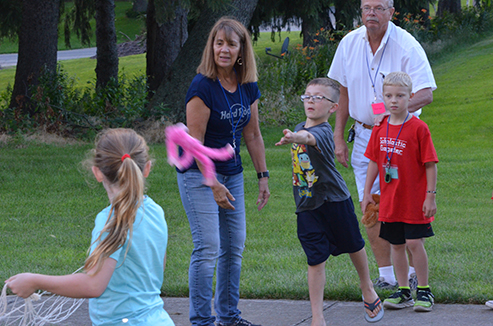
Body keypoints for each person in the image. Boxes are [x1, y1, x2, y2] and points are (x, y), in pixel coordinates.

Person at [6, 128, 174, 325]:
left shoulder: (110, 220)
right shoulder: (156, 211)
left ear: (97, 172)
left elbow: (94, 285)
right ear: (147, 168)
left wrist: (35, 281)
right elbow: (156, 270)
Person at [327, 0, 437, 290]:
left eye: (378, 7)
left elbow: (426, 94)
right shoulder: (349, 43)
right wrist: (338, 136)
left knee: (404, 203)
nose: (371, 13)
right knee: (371, 205)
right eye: (366, 8)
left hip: (401, 136)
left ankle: (413, 276)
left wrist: (392, 113)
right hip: (365, 134)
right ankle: (387, 276)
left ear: (391, 11)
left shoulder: (407, 45)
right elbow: (343, 91)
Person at [177, 17, 270, 326]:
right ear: (211, 47)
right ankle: (202, 321)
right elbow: (194, 144)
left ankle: (229, 317)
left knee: (233, 247)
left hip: (232, 173)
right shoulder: (202, 86)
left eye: (231, 43)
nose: (224, 49)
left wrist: (263, 177)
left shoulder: (247, 85)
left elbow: (253, 135)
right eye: (219, 43)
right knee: (208, 247)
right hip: (198, 175)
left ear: (242, 49)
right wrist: (212, 183)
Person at [276, 78, 384, 324]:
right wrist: (294, 134)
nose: (311, 101)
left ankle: (367, 287)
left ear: (333, 107)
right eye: (307, 96)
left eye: (318, 97)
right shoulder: (298, 127)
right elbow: (302, 134)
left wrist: (296, 137)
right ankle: (317, 317)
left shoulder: (322, 132)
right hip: (306, 206)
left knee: (354, 245)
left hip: (335, 200)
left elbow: (308, 138)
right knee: (315, 259)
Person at [362, 72, 438, 312]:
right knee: (396, 244)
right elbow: (374, 161)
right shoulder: (380, 127)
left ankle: (424, 291)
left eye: (400, 96)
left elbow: (430, 164)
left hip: (414, 199)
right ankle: (404, 291)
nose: (393, 101)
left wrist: (430, 195)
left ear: (410, 97)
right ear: (382, 97)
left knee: (414, 242)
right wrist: (366, 193)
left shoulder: (418, 128)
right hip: (390, 199)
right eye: (388, 96)